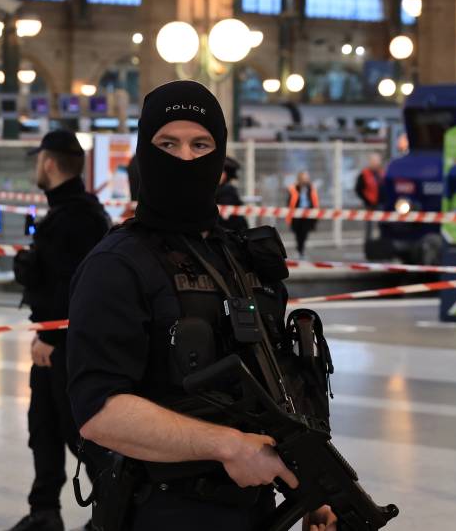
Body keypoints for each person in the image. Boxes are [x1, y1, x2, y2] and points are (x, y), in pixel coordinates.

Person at [66, 81, 336, 529]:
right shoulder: (117, 265)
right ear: (143, 152)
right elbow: (99, 413)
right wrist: (227, 446)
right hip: (161, 510)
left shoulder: (241, 256)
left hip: (250, 510)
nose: (185, 159)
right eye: (167, 143)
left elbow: (275, 384)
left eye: (201, 144)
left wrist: (308, 489)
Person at [8, 131, 110, 531]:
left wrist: (51, 336)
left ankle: (110, 513)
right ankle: (44, 511)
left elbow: (74, 285)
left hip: (68, 344)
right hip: (54, 340)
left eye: (39, 160)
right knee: (43, 429)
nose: (37, 166)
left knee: (79, 433)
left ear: (49, 163)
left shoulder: (78, 216)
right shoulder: (71, 211)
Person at [354, 152, 384, 248]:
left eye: (377, 161)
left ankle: (382, 247)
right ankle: (368, 247)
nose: (375, 163)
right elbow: (358, 189)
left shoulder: (382, 173)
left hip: (381, 204)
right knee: (369, 228)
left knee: (383, 226)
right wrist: (366, 200)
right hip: (369, 204)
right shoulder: (364, 174)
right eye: (373, 161)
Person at [286, 171, 319, 258]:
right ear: (299, 179)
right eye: (303, 178)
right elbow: (290, 201)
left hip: (308, 214)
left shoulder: (310, 188)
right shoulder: (294, 188)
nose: (305, 180)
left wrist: (315, 214)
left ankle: (301, 250)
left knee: (304, 232)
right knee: (297, 233)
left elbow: (314, 201)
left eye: (306, 178)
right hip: (296, 214)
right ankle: (299, 250)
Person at [216, 156, 248, 232]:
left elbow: (226, 219)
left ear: (225, 175)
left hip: (232, 234)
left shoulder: (227, 191)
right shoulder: (220, 189)